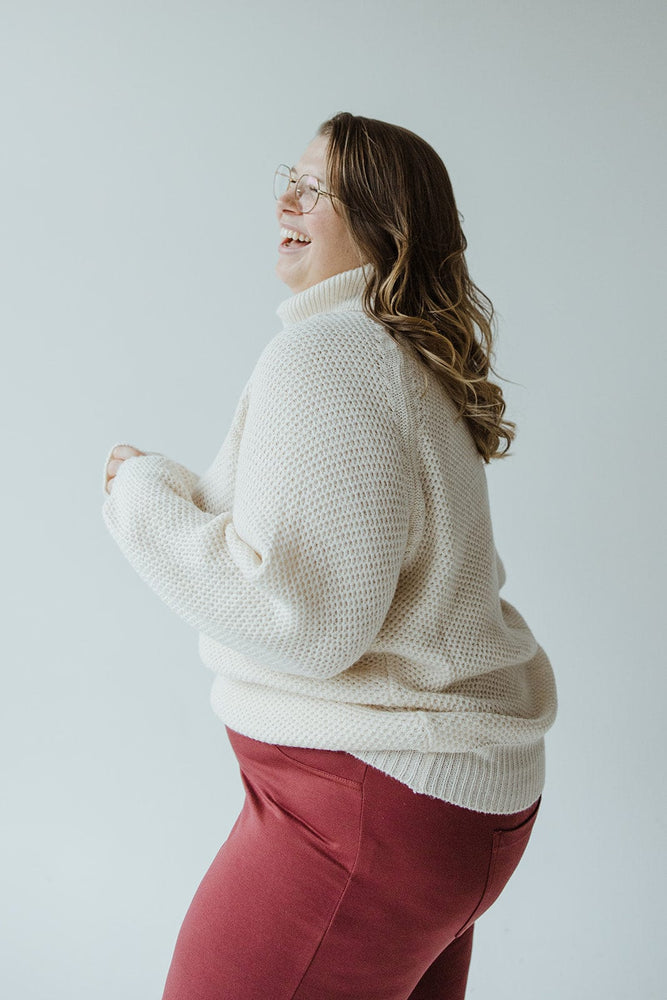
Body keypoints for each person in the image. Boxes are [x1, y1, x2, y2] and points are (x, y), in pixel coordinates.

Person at [102, 111, 558, 1000]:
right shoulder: (403, 357)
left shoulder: (329, 356)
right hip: (450, 805)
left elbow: (302, 622)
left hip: (358, 808)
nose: (285, 198)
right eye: (290, 177)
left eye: (317, 188)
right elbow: (318, 549)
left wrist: (136, 498)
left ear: (383, 222)